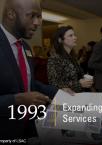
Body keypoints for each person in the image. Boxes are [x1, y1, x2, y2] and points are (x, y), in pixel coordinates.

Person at [0, 0, 73, 139]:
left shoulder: (26, 47)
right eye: (32, 16)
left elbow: (30, 83)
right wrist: (16, 100)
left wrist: (58, 91)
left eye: (39, 17)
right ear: (11, 14)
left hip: (30, 128)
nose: (38, 23)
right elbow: (20, 95)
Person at [47, 26, 93, 92]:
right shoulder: (54, 58)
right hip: (66, 99)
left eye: (74, 35)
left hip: (77, 96)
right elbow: (54, 84)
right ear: (60, 40)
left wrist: (86, 79)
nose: (75, 38)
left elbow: (78, 76)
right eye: (70, 36)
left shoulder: (72, 57)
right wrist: (79, 84)